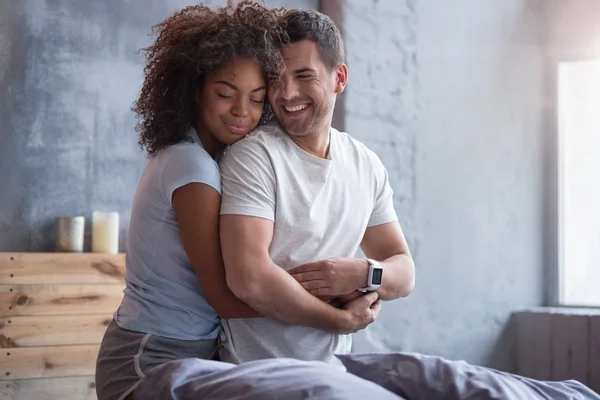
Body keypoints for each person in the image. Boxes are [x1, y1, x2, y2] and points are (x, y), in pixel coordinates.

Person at [94, 3, 288, 399]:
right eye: (225, 93)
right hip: (148, 355)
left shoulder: (209, 158)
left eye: (256, 99)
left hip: (186, 351)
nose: (242, 112)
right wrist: (322, 309)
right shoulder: (191, 165)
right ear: (195, 89)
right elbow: (226, 296)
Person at [218, 9, 416, 365]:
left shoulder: (366, 165)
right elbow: (249, 279)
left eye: (304, 76)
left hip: (331, 375)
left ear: (339, 77)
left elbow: (404, 271)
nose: (287, 93)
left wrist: (361, 273)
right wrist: (342, 321)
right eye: (276, 78)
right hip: (253, 375)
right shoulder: (253, 157)